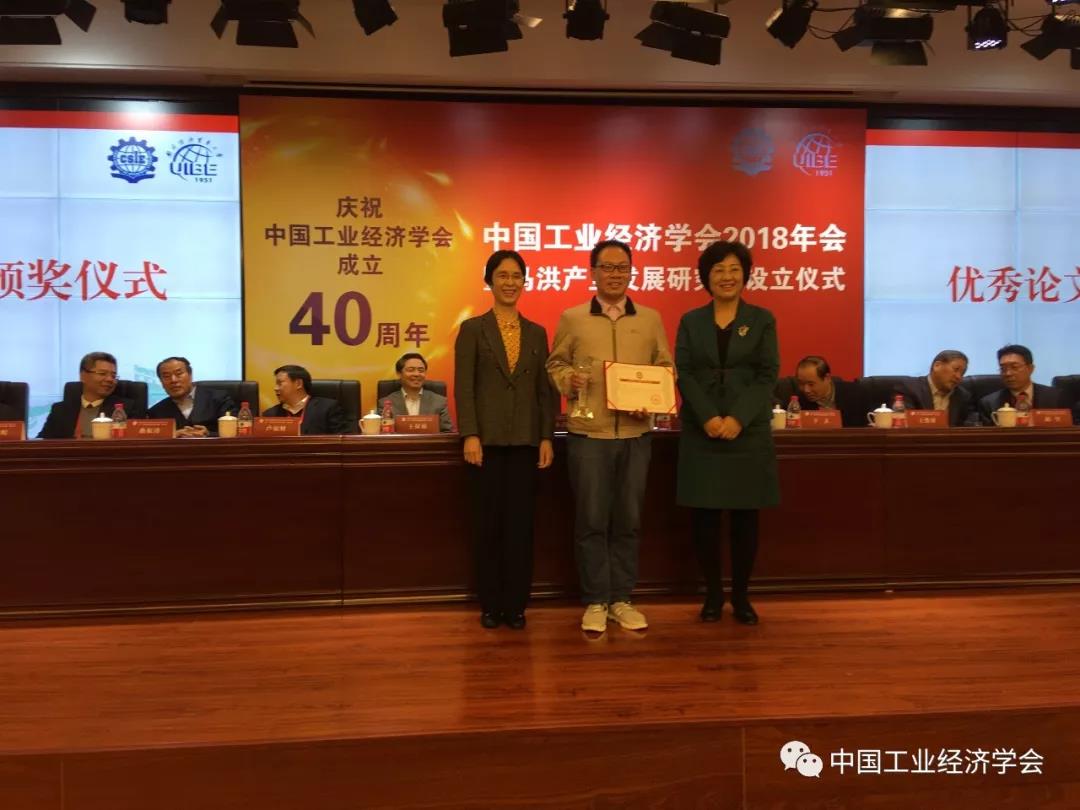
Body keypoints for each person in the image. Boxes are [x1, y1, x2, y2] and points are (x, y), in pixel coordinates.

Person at [547, 239, 674, 634]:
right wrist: (570, 380)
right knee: (591, 520)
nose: (615, 274)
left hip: (636, 434)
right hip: (589, 434)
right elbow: (555, 364)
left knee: (628, 520)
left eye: (622, 267)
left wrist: (649, 402)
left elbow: (665, 368)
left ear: (631, 272)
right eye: (607, 267)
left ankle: (621, 598)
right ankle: (596, 600)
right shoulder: (573, 318)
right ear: (593, 272)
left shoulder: (650, 319)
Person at [675, 241, 779, 626]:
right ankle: (713, 596)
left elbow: (768, 374)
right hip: (701, 430)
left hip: (746, 432)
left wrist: (738, 418)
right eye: (718, 269)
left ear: (745, 275)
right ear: (706, 277)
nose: (727, 276)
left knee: (744, 518)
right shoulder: (691, 321)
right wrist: (707, 417)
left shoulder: (762, 319)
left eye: (734, 269)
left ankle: (741, 596)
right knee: (704, 517)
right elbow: (684, 372)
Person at [455, 250, 557, 630]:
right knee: (489, 526)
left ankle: (516, 605)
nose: (510, 282)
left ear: (524, 282)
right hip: (486, 444)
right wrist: (470, 433)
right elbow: (464, 387)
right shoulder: (472, 329)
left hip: (526, 443)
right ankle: (491, 603)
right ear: (490, 281)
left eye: (516, 276)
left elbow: (545, 392)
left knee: (520, 527)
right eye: (502, 275)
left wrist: (546, 436)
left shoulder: (537, 332)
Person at [38, 351, 144, 439]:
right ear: (83, 376)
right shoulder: (60, 410)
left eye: (113, 376)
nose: (110, 379)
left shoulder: (127, 408)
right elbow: (42, 442)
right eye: (102, 373)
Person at [148, 356, 235, 437]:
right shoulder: (156, 412)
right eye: (166, 376)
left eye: (178, 374)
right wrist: (172, 435)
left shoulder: (219, 399)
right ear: (161, 382)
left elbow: (236, 431)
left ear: (190, 375)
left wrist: (208, 434)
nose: (173, 380)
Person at [977, 345, 1065, 424]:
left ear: (1030, 368)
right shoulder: (989, 403)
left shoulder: (1056, 397)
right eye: (1003, 369)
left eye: (1014, 367)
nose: (1008, 373)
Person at [262, 364, 352, 435]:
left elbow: (342, 441)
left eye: (280, 383)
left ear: (298, 384)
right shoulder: (269, 415)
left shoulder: (327, 408)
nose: (275, 388)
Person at [892, 350, 973, 427]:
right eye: (955, 369)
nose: (959, 377)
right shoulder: (909, 388)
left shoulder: (963, 396)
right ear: (937, 366)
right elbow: (905, 425)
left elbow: (966, 427)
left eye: (962, 373)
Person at [384, 352, 453, 433]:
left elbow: (447, 433)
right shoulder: (386, 403)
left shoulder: (439, 401)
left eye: (421, 370)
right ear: (399, 373)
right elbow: (382, 433)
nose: (417, 374)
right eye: (411, 370)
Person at [794, 356, 867, 428]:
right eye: (801, 384)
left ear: (827, 378)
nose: (806, 390)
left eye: (811, 384)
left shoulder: (855, 395)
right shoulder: (797, 402)